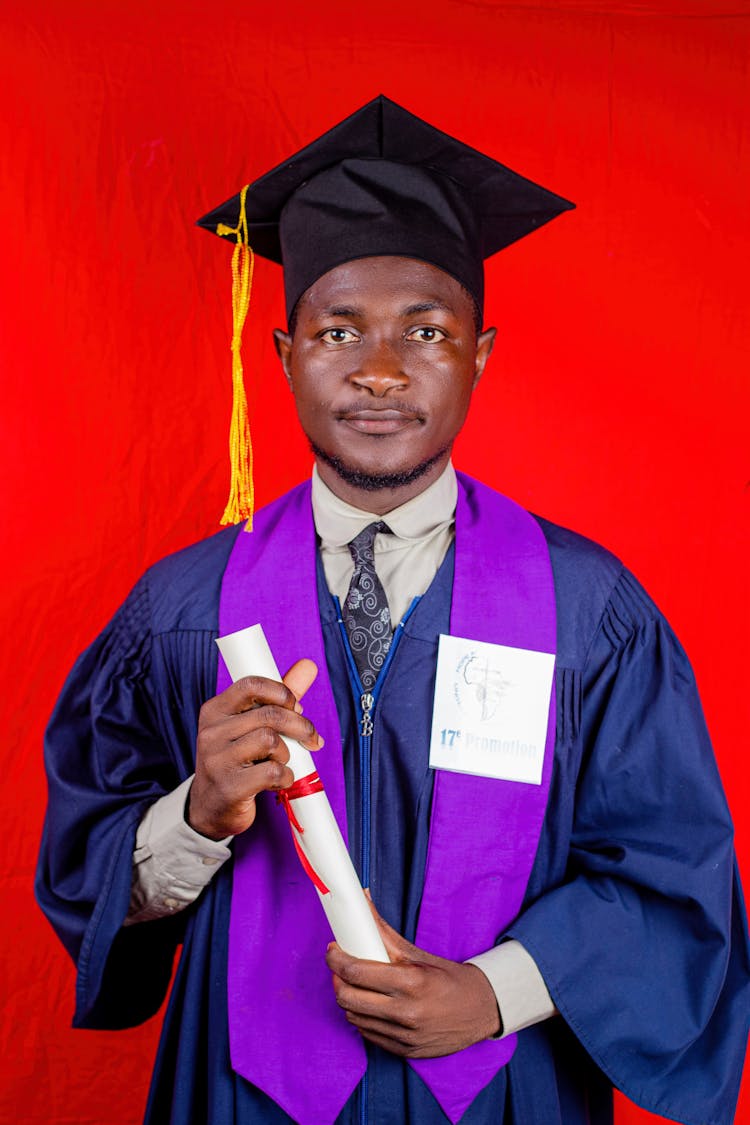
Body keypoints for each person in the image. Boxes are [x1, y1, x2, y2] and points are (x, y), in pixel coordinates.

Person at [36, 96, 749, 1125]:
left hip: (504, 1090)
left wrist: (495, 993)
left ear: (481, 352)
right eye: (338, 330)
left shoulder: (588, 611)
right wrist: (196, 814)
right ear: (283, 353)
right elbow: (85, 873)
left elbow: (674, 885)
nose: (379, 368)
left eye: (425, 329)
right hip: (248, 1096)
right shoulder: (184, 608)